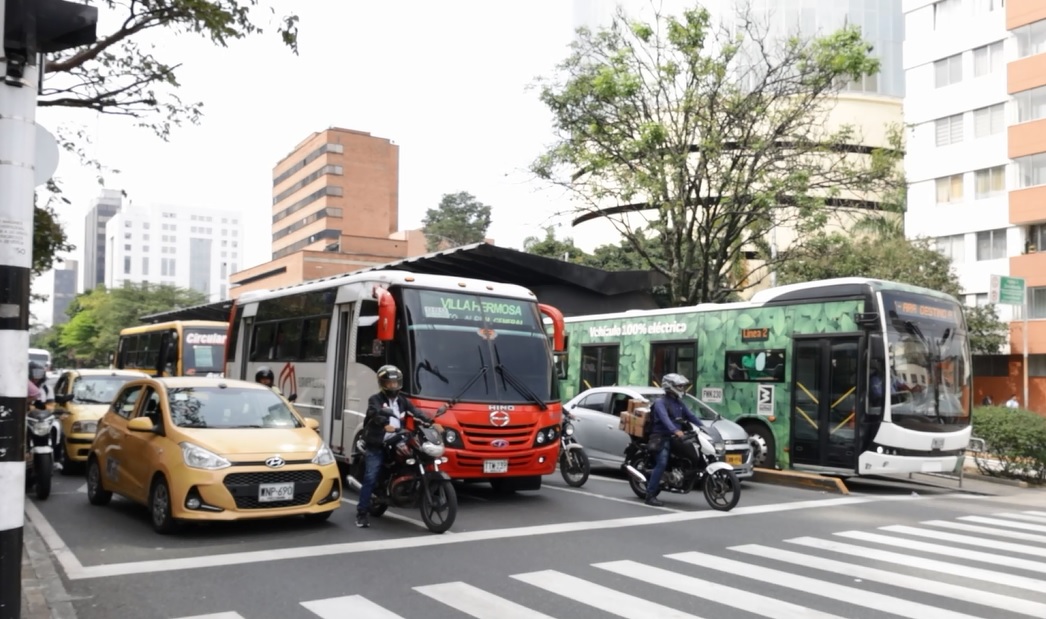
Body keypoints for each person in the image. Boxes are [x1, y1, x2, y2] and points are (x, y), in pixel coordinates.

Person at [355, 364, 437, 528]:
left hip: (397, 438)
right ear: (382, 383)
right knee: (371, 476)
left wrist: (430, 421)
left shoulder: (402, 401)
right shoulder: (375, 399)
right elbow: (374, 412)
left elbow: (416, 411)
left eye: (395, 383)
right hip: (378, 441)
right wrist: (384, 423)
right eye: (389, 383)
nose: (393, 386)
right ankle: (361, 513)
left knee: (416, 456)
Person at [645, 373, 704, 507]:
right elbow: (665, 419)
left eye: (683, 386)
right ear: (670, 386)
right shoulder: (661, 402)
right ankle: (650, 495)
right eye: (679, 386)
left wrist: (704, 428)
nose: (682, 388)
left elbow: (691, 416)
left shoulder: (679, 403)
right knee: (662, 462)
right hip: (661, 436)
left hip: (676, 436)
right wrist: (675, 430)